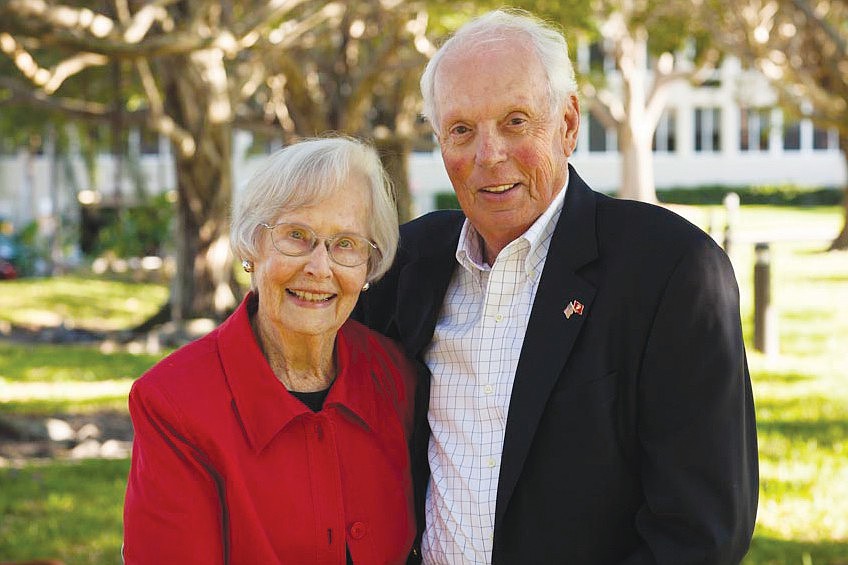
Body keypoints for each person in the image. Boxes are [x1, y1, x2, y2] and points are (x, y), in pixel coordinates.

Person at [355, 9, 758, 564]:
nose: (487, 155)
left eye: (515, 121)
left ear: (567, 124)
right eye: (461, 130)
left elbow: (699, 535)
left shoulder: (671, 270)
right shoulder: (404, 266)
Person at [123, 137, 417, 564]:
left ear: (370, 266)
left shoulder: (397, 378)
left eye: (346, 244)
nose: (319, 267)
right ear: (252, 247)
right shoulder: (174, 402)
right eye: (296, 236)